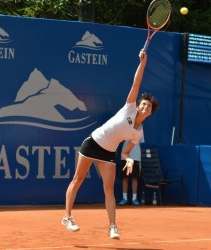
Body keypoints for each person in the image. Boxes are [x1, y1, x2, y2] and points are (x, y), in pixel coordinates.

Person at [61, 50, 159, 239]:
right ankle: (67, 217)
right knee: (77, 179)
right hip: (93, 142)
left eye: (149, 106)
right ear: (138, 105)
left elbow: (126, 152)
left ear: (150, 113)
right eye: (144, 104)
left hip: (109, 152)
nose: (145, 106)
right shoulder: (129, 107)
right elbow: (136, 82)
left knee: (108, 189)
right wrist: (143, 62)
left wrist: (128, 159)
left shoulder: (138, 133)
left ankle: (113, 226)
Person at [118, 137, 143, 206]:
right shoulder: (124, 127)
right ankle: (124, 199)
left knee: (134, 178)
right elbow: (121, 140)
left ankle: (134, 199)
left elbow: (140, 143)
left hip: (136, 156)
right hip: (125, 156)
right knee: (125, 177)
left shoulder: (140, 129)